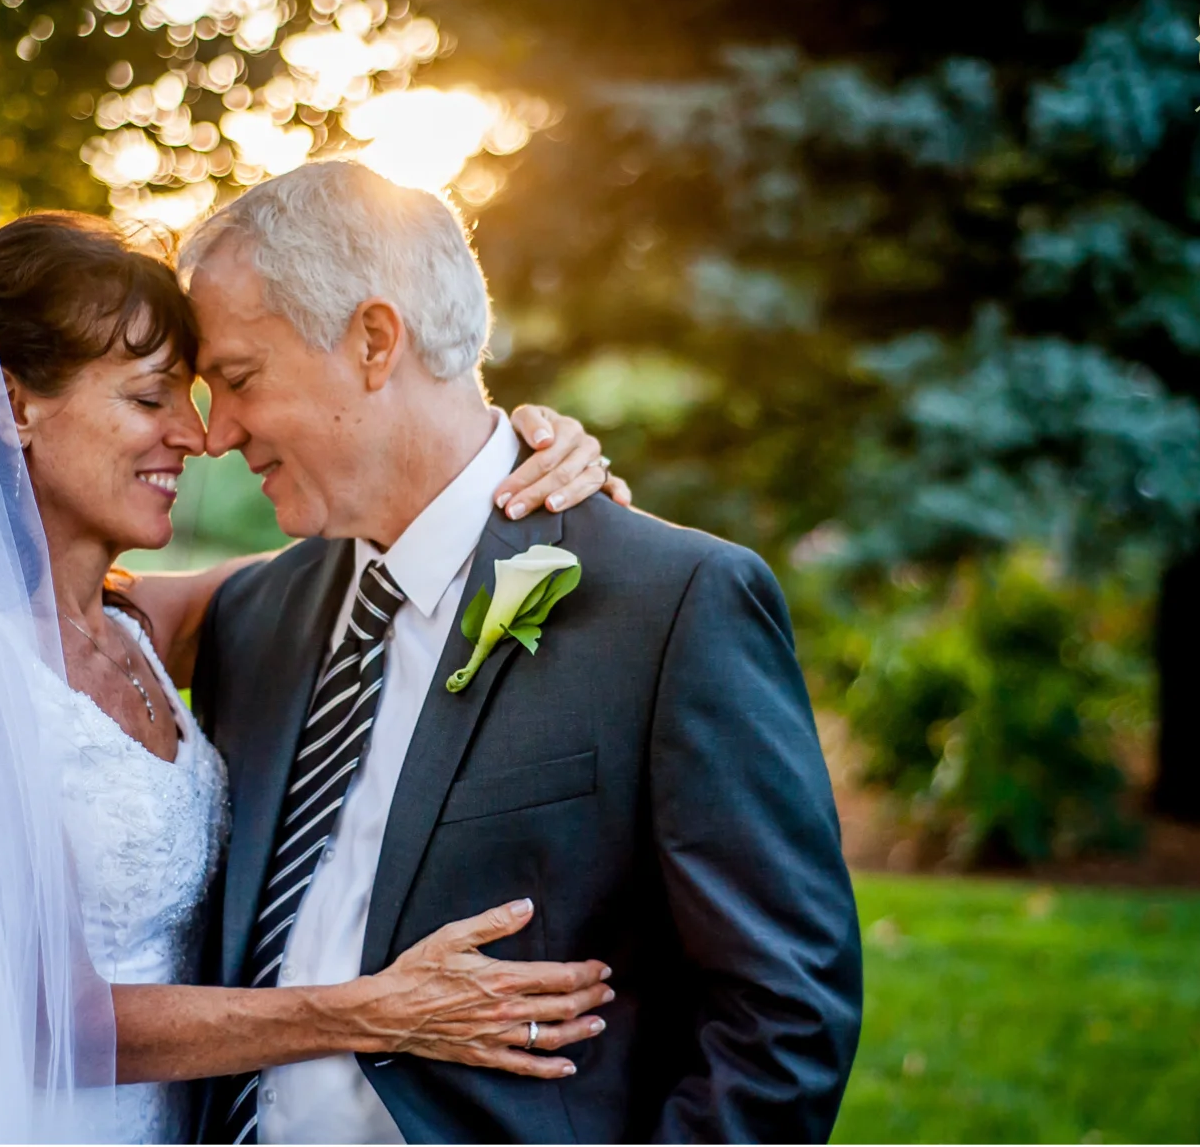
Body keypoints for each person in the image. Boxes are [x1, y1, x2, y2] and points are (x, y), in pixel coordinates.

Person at [0, 210, 626, 1143]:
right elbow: (47, 1012)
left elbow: (408, 540)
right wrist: (377, 1010)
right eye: (150, 397)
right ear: (14, 407)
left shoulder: (139, 623)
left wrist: (524, 452)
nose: (198, 437)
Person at [174, 162, 863, 1143]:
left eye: (238, 379)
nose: (216, 433)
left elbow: (783, 1019)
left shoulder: (669, 607)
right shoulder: (249, 619)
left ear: (376, 341)